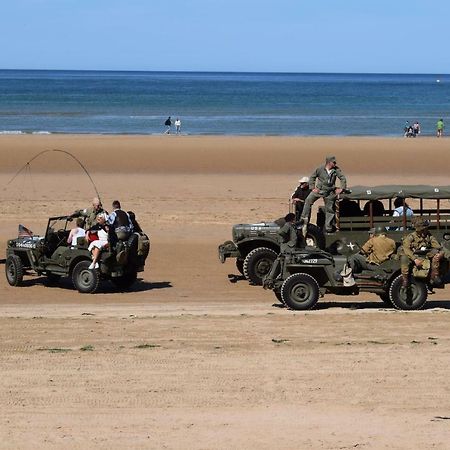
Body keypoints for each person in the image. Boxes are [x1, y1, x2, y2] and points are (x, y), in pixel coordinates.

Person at [300, 155, 347, 234]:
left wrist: (342, 188)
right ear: (329, 162)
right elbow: (312, 177)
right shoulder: (320, 169)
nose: (335, 163)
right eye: (334, 162)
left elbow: (342, 178)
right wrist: (312, 188)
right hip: (319, 190)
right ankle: (304, 219)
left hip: (329, 192)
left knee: (330, 209)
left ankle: (328, 227)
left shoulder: (336, 170)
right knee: (308, 200)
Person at [400, 217, 444, 287]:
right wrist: (415, 259)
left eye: (426, 229)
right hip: (414, 256)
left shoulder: (428, 236)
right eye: (423, 229)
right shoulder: (411, 237)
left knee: (437, 255)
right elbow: (406, 249)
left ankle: (434, 276)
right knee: (404, 258)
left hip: (425, 255)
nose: (425, 231)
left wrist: (440, 254)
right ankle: (405, 279)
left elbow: (437, 246)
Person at [263, 213, 297, 289]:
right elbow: (281, 232)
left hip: (287, 249)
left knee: (281, 263)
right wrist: (288, 242)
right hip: (287, 249)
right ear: (292, 219)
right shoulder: (288, 225)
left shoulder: (290, 225)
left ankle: (272, 279)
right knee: (285, 264)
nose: (295, 220)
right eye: (294, 218)